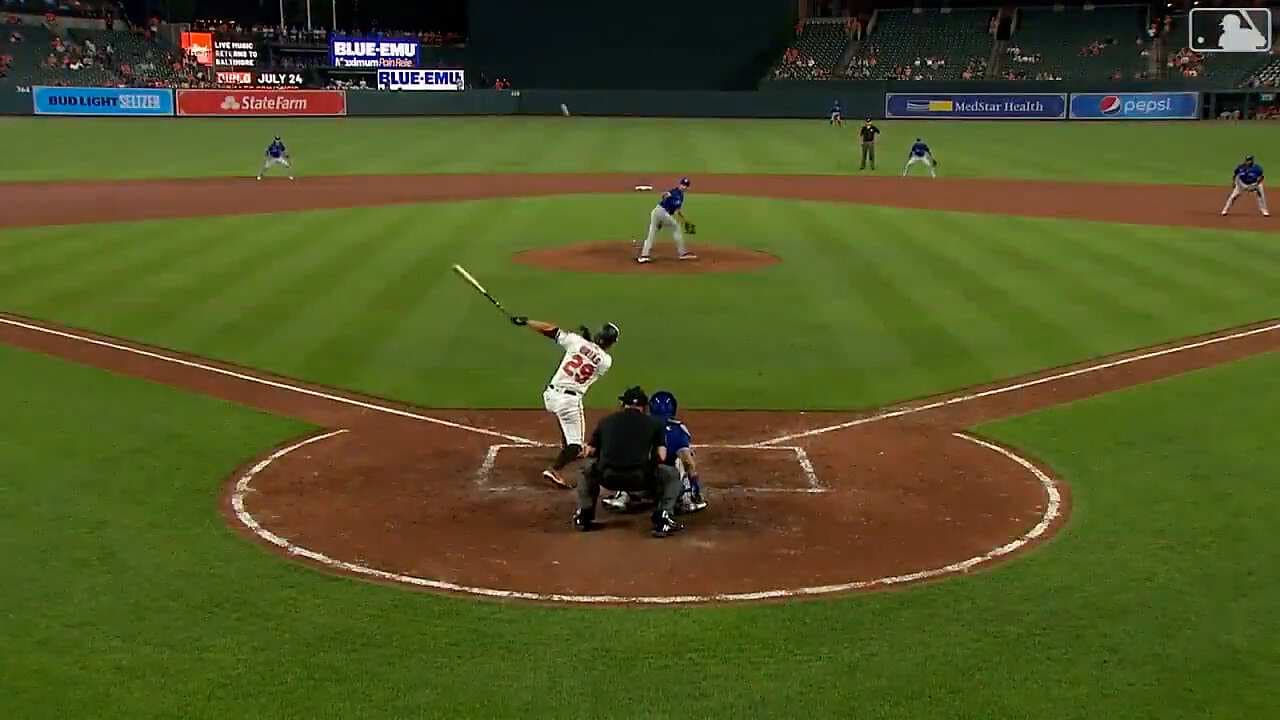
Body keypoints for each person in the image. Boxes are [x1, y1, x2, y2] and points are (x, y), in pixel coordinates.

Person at [510, 317, 620, 488]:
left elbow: (551, 330)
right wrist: (589, 341)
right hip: (569, 402)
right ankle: (554, 470)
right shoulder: (606, 362)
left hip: (551, 395)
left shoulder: (575, 341)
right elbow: (594, 355)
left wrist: (527, 321)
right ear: (611, 343)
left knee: (569, 427)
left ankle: (566, 444)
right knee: (577, 446)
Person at [574, 386, 684, 538]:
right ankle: (664, 517)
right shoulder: (654, 423)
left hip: (607, 477)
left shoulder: (606, 421)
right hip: (639, 480)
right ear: (644, 407)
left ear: (623, 404)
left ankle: (584, 515)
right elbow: (662, 456)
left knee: (586, 468)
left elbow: (589, 452)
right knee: (671, 474)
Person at [603, 389, 707, 514]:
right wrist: (695, 486)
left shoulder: (640, 425)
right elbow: (687, 461)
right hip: (669, 488)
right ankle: (686, 499)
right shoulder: (678, 428)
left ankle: (622, 496)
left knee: (630, 454)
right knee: (682, 458)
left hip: (638, 485)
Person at [637, 176, 696, 264]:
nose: (684, 187)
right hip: (660, 211)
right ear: (680, 184)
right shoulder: (674, 191)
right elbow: (665, 195)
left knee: (654, 232)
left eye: (685, 186)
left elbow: (677, 210)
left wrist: (684, 220)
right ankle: (682, 253)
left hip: (662, 214)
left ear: (687, 187)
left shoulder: (681, 196)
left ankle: (644, 255)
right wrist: (665, 195)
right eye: (683, 185)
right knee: (675, 228)